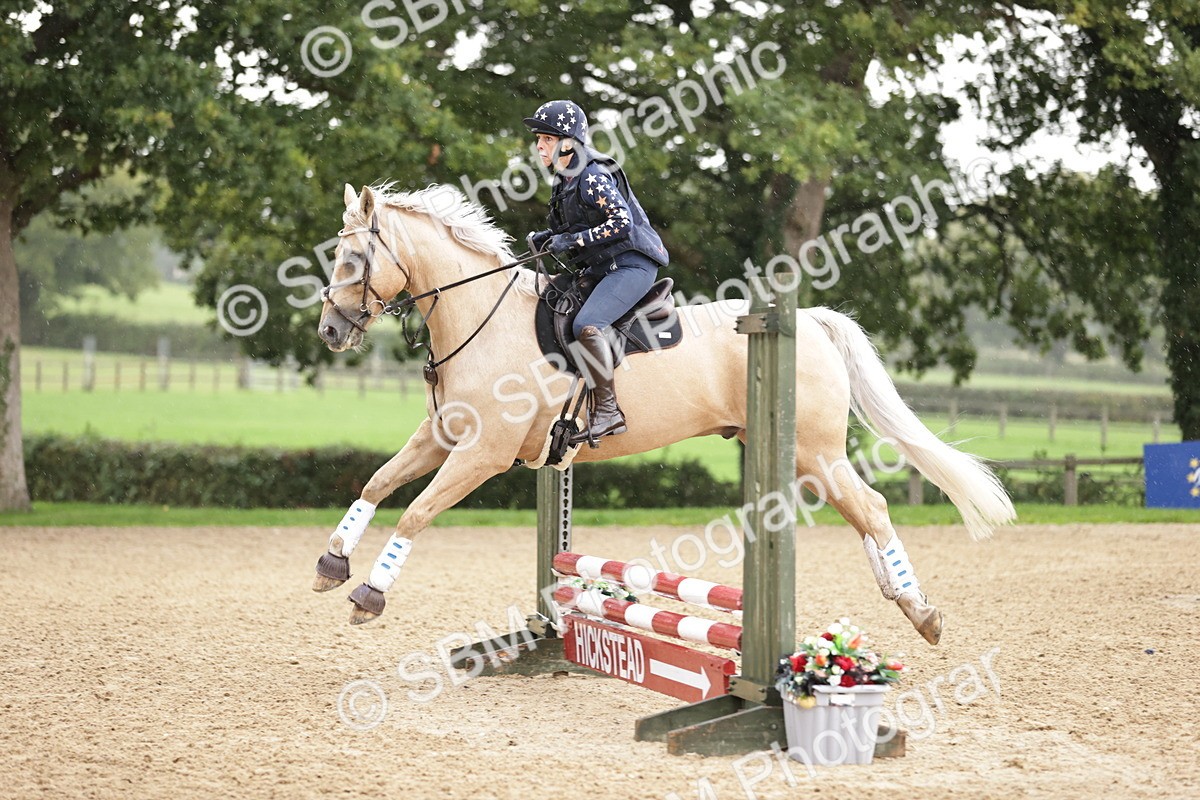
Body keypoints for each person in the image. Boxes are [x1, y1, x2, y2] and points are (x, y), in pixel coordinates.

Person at [523, 99, 670, 444]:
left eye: (547, 138)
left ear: (569, 142)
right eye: (538, 138)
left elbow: (621, 223)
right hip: (605, 268)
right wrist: (550, 238)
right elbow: (577, 226)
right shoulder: (565, 180)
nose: (539, 145)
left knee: (586, 325)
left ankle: (607, 412)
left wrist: (572, 239)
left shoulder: (592, 176)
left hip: (632, 266)